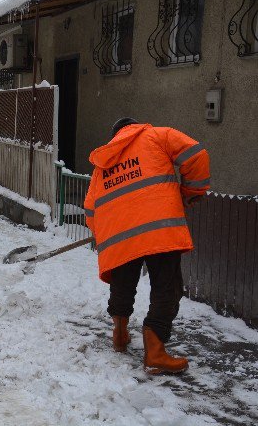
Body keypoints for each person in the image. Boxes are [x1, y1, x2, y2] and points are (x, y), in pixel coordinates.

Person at [83, 118, 210, 375]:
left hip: (121, 233)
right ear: (134, 127)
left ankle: (119, 333)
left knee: (123, 281)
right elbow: (196, 154)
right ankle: (154, 350)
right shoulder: (157, 136)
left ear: (115, 136)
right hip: (159, 227)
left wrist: (106, 234)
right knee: (166, 286)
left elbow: (90, 209)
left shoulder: (104, 163)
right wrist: (190, 192)